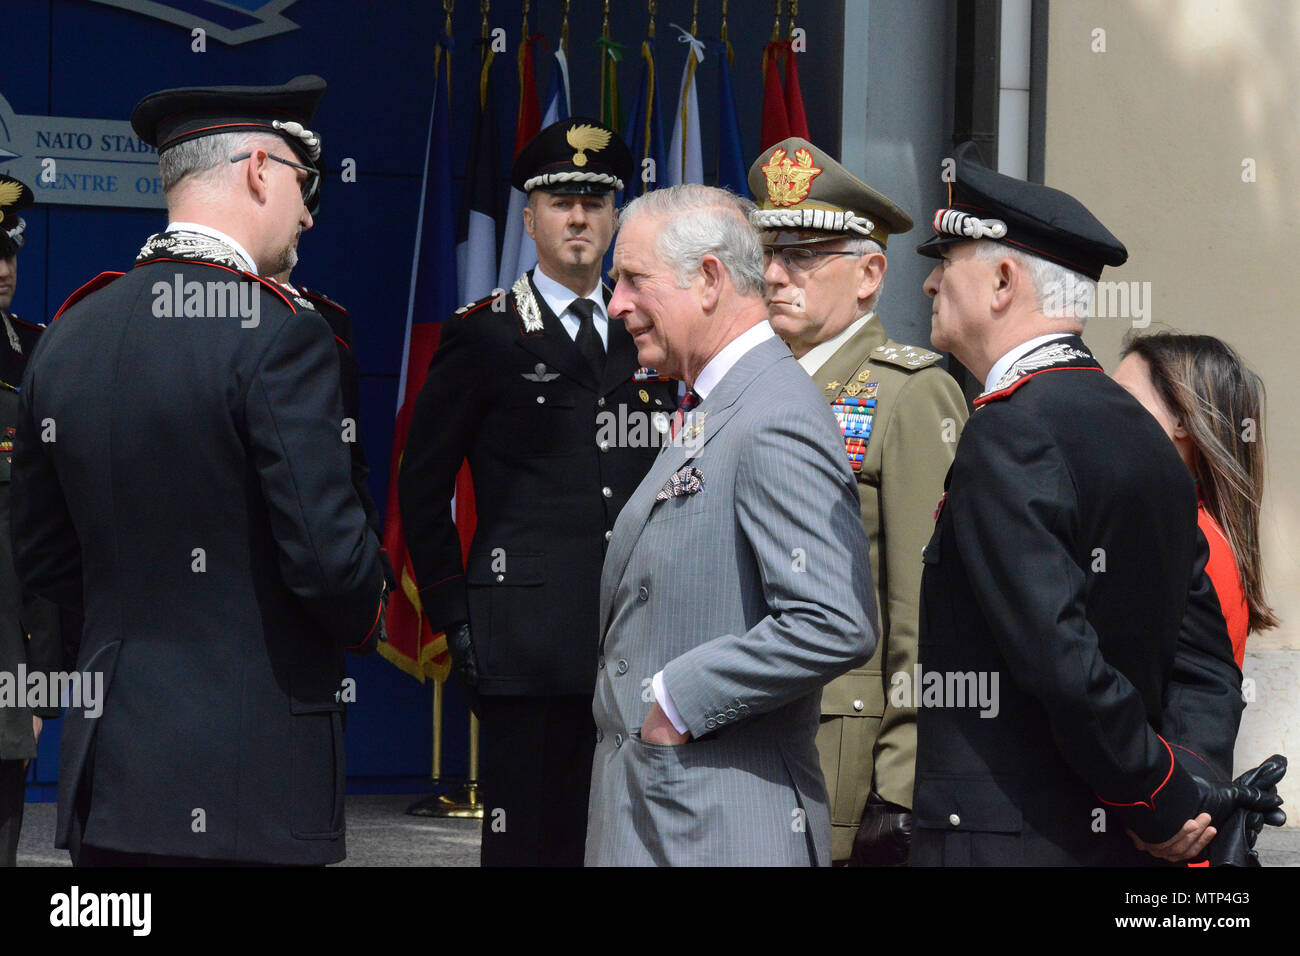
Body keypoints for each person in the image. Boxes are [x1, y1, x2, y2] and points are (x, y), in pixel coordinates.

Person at [11, 75, 386, 866]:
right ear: (258, 171)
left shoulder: (69, 334)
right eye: (302, 181)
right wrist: (370, 609)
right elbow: (329, 562)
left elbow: (46, 561)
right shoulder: (283, 332)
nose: (310, 210)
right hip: (252, 782)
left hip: (109, 784)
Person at [910, 142, 1279, 865]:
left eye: (946, 262)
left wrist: (1157, 795)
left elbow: (1058, 654)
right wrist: (1186, 789)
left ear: (1003, 280)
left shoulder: (1008, 429)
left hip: (1006, 840)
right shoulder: (1142, 434)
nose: (929, 285)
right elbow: (1203, 662)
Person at [399, 118, 675, 867]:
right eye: (561, 202)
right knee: (528, 848)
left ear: (617, 216)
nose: (580, 217)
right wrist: (458, 619)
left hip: (643, 641)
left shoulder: (656, 337)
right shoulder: (485, 336)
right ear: (530, 219)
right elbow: (422, 489)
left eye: (594, 200)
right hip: (525, 643)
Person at [585, 184, 878, 867]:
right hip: (670, 820)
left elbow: (833, 619)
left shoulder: (772, 412)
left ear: (710, 279)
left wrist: (679, 701)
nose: (617, 302)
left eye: (633, 279)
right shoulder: (722, 402)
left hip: (717, 828)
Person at [750, 138, 968, 865]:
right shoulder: (746, 388)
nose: (776, 276)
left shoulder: (908, 393)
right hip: (746, 745)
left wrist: (901, 784)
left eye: (804, 255)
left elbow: (922, 606)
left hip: (842, 758)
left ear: (870, 273)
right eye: (766, 254)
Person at [1114, 333, 1277, 669]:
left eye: (1122, 401)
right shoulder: (1192, 529)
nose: (1103, 414)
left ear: (1183, 422)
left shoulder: (1186, 544)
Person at [0, 175, 61, 867]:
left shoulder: (40, 358)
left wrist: (42, 684)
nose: (2, 268)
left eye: (9, 252)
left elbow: (45, 535)